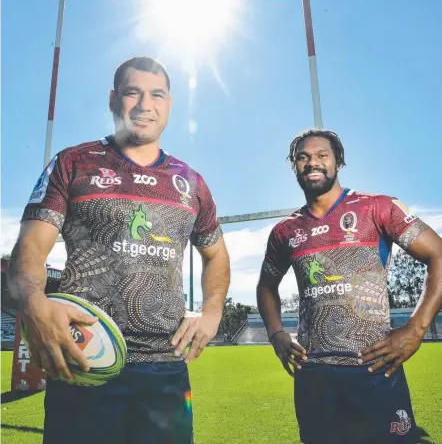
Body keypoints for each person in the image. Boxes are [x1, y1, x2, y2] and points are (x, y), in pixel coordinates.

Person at [7, 56, 230, 444]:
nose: (145, 104)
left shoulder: (191, 182)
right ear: (113, 99)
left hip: (166, 370)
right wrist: (34, 303)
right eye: (133, 92)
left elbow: (217, 255)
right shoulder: (73, 163)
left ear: (170, 105)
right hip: (83, 359)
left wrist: (211, 314)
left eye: (157, 94)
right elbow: (30, 249)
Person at [256, 128, 442, 444]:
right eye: (303, 157)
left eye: (321, 155)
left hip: (373, 368)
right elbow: (266, 287)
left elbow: (438, 254)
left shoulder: (379, 207)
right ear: (295, 166)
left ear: (338, 162)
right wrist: (276, 334)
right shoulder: (285, 230)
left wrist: (415, 329)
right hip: (313, 376)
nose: (312, 162)